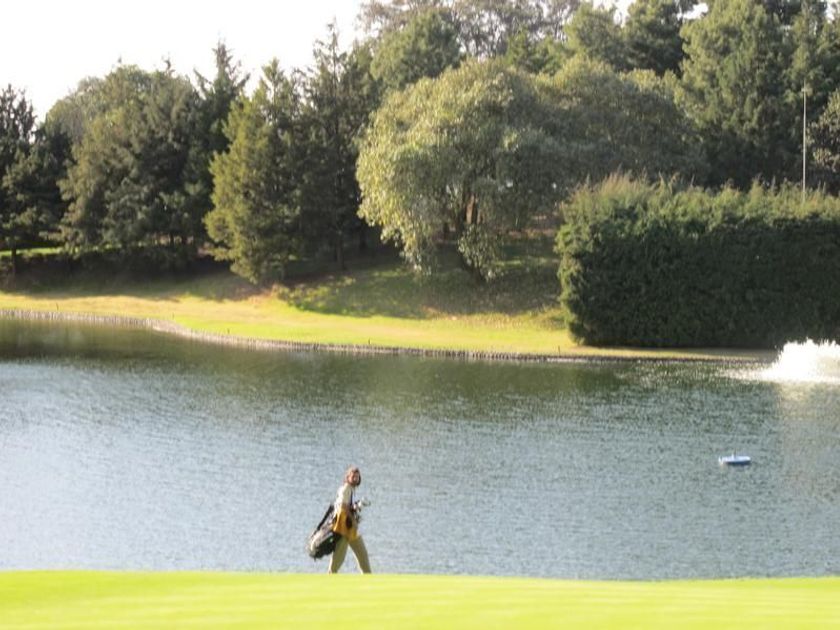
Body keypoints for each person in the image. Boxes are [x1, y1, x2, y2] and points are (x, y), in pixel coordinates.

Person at [329, 466, 371, 574]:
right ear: (348, 477)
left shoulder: (351, 489)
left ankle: (368, 578)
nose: (355, 479)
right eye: (353, 477)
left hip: (351, 529)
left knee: (363, 555)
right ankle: (330, 578)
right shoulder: (345, 489)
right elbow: (343, 507)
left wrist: (356, 507)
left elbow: (348, 506)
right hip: (343, 528)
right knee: (338, 559)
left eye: (357, 477)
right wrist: (353, 520)